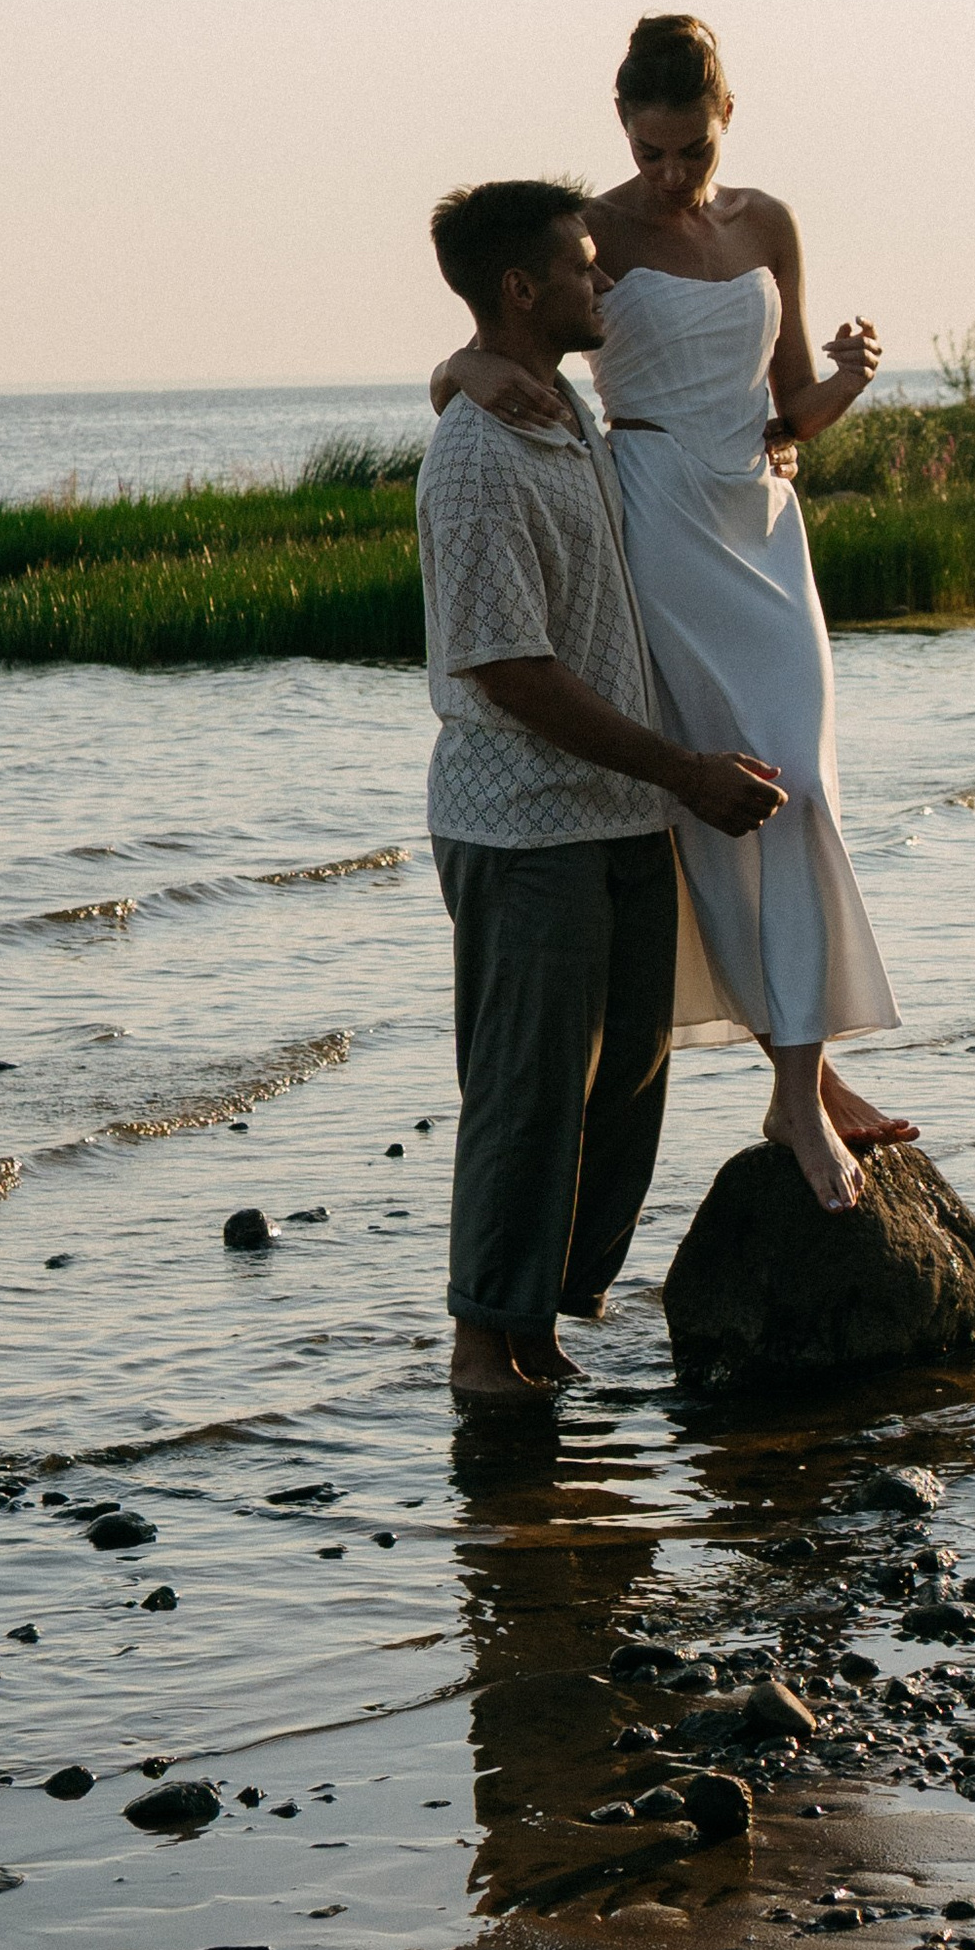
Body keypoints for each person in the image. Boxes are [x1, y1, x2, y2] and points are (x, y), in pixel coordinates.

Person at [431, 14, 907, 1214]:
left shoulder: (770, 225)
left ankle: (806, 1073)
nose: (668, 175)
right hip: (652, 520)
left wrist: (843, 381)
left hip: (760, 523)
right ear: (622, 126)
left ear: (722, 120)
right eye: (649, 151)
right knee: (729, 795)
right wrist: (454, 374)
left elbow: (786, 401)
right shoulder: (587, 230)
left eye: (687, 151)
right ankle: (797, 1086)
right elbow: (494, 334)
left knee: (806, 782)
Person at [416, 175, 784, 1406]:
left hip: (622, 814)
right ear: (522, 288)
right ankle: (485, 1347)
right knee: (526, 1092)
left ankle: (542, 1328)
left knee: (624, 1082)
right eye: (583, 266)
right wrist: (683, 769)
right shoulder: (475, 452)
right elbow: (509, 671)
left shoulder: (556, 405)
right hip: (523, 826)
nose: (605, 281)